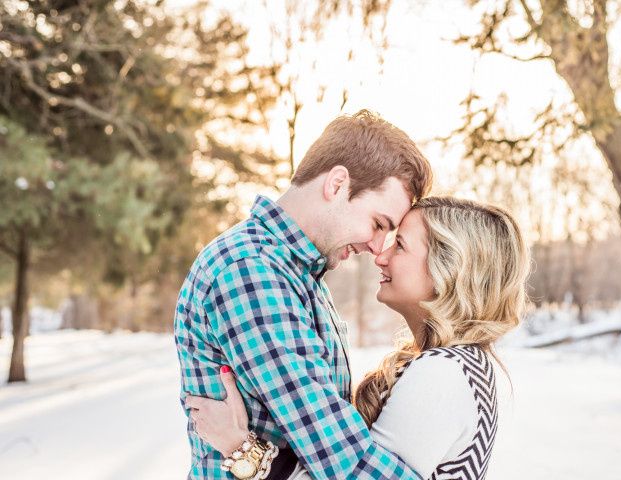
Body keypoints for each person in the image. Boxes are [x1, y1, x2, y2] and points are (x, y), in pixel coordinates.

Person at [187, 196, 531, 480]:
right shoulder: (462, 364)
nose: (380, 256)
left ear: (449, 270)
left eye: (400, 246)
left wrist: (242, 450)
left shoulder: (444, 372)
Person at [174, 109, 433, 479]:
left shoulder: (299, 274)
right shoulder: (251, 271)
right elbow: (338, 455)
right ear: (337, 183)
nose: (378, 248)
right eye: (378, 224)